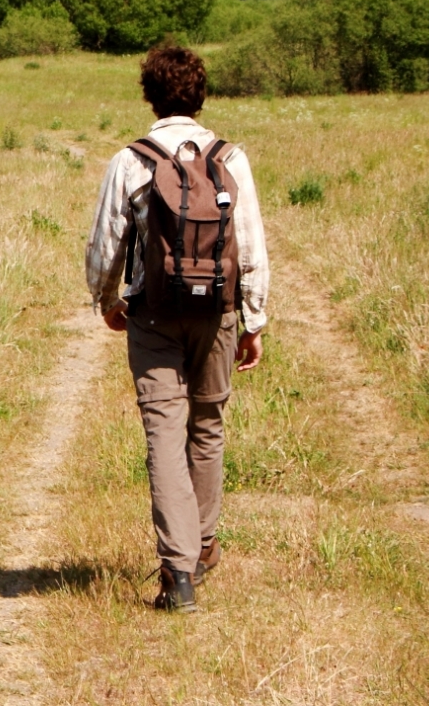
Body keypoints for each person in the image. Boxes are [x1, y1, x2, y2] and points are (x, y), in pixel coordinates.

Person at [84, 45, 269, 613]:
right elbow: (253, 247)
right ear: (200, 95)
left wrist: (107, 300)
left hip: (154, 315)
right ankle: (205, 545)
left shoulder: (131, 160)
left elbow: (105, 245)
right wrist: (253, 320)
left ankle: (178, 573)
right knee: (208, 426)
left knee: (164, 435)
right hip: (218, 313)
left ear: (150, 96)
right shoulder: (230, 159)